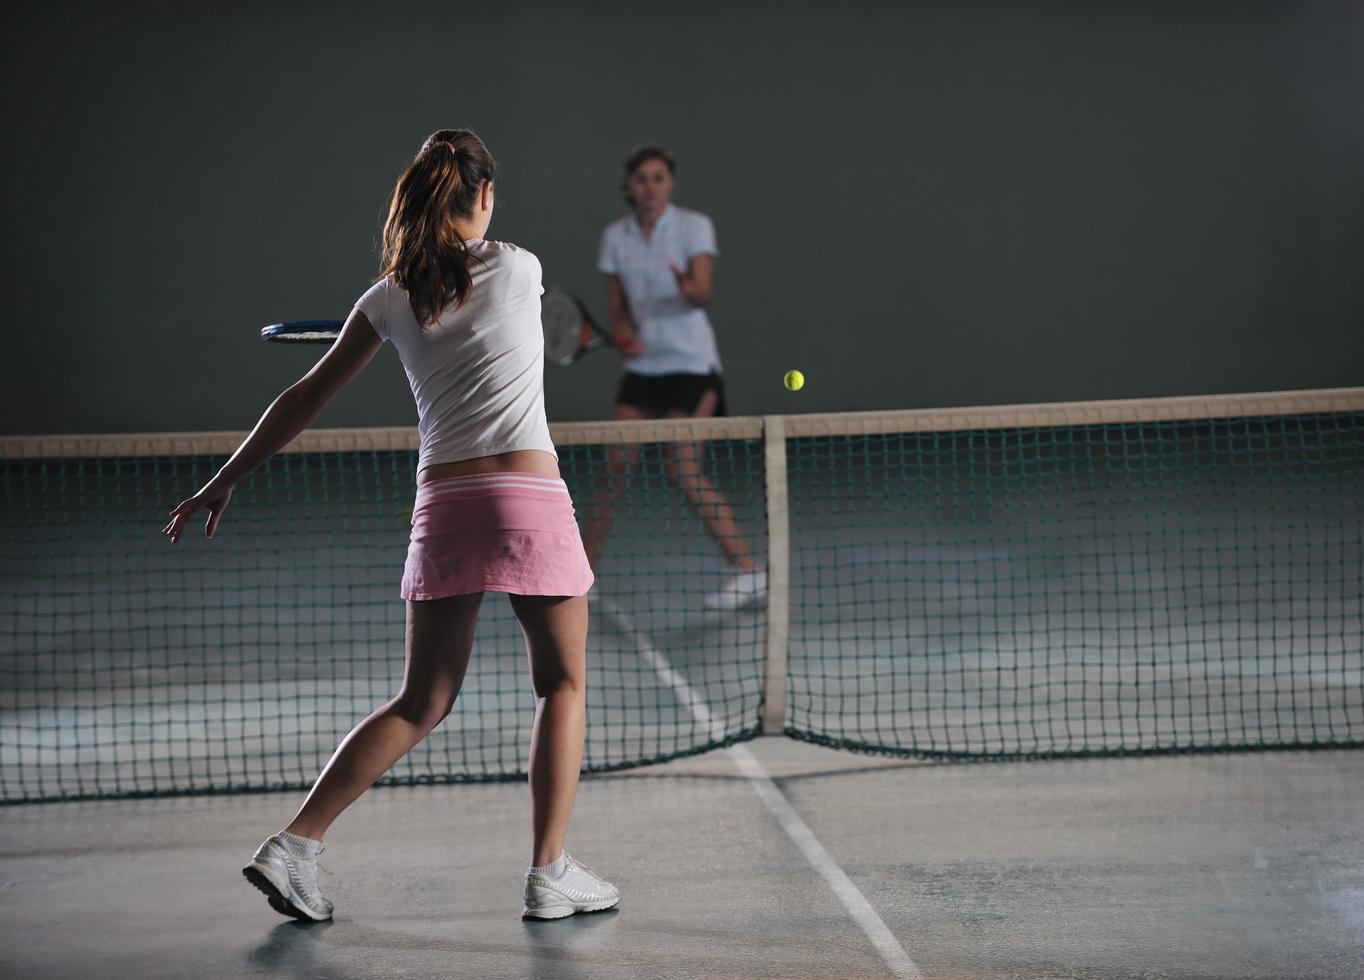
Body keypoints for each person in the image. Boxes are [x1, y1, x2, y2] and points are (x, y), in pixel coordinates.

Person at [162, 129, 618, 922]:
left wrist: (220, 481)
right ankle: (549, 874)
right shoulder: (521, 267)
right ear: (481, 194)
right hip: (525, 497)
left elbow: (300, 398)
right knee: (562, 682)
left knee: (420, 700)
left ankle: (295, 845)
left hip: (444, 507)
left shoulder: (385, 299)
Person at [582, 145, 766, 610]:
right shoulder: (614, 237)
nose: (649, 186)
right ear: (629, 186)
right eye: (641, 178)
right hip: (644, 369)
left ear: (670, 184)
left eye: (658, 178)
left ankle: (748, 572)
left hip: (692, 364)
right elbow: (617, 308)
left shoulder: (693, 226)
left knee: (682, 468)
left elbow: (703, 293)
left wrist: (690, 288)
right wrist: (624, 335)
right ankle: (578, 577)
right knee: (614, 467)